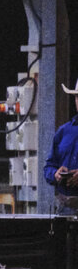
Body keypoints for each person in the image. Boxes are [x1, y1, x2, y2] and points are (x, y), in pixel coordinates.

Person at [44, 79, 78, 216]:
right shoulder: (64, 131)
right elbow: (48, 167)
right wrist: (56, 174)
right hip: (66, 208)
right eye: (77, 97)